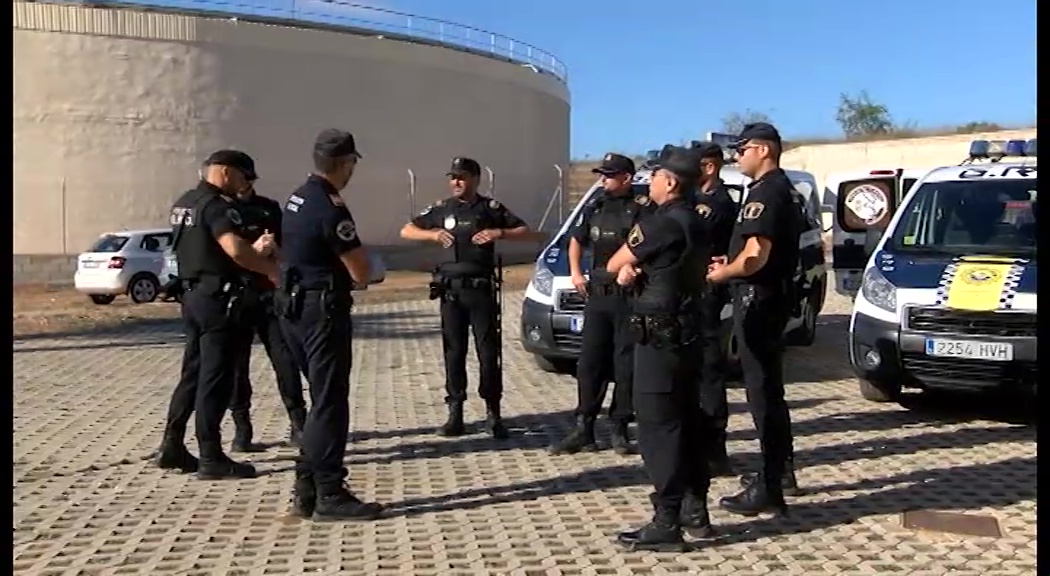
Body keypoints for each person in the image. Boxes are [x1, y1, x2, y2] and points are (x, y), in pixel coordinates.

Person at [604, 146, 715, 551]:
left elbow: (617, 262)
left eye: (654, 176)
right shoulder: (698, 219)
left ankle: (667, 520)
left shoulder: (662, 222)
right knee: (687, 422)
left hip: (659, 337)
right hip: (688, 334)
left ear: (670, 182)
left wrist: (630, 267)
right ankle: (694, 510)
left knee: (658, 429)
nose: (648, 182)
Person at [154, 150, 280, 480]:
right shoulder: (218, 207)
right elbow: (236, 251)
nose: (244, 184)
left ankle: (173, 444)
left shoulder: (185, 202)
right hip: (218, 300)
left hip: (192, 295)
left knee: (192, 373)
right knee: (215, 378)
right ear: (224, 172)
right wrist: (267, 263)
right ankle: (211, 455)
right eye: (242, 176)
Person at [278, 129, 382, 521]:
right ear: (346, 163)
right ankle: (329, 493)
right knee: (329, 404)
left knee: (319, 400)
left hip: (294, 307)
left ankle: (306, 490)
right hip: (322, 311)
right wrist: (370, 271)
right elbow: (359, 269)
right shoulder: (331, 206)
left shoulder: (297, 196)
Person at [706, 122, 806, 516]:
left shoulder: (766, 193)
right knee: (769, 392)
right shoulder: (782, 190)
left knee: (762, 394)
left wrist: (723, 273)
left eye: (742, 149)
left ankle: (770, 485)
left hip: (759, 301)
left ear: (763, 150)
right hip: (770, 297)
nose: (736, 156)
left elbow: (755, 257)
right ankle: (778, 473)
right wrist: (730, 263)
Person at [399, 157, 533, 439]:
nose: (455, 182)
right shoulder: (441, 209)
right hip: (451, 291)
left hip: (480, 290)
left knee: (487, 352)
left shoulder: (489, 208)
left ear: (475, 179)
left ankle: (493, 413)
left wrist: (500, 232)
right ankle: (455, 412)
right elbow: (407, 229)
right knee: (454, 352)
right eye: (452, 177)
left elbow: (525, 231)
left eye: (461, 177)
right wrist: (433, 234)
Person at [550, 152, 651, 456]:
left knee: (624, 363)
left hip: (627, 296)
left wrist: (635, 270)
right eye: (601, 174)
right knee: (590, 362)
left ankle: (620, 426)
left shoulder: (642, 208)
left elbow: (652, 247)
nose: (602, 179)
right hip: (598, 293)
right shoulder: (596, 204)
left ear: (626, 178)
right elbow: (576, 239)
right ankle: (584, 427)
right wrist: (575, 272)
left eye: (608, 175)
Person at [227, 183, 309, 453]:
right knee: (237, 366)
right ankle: (242, 427)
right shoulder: (223, 210)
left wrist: (274, 249)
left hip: (269, 294)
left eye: (248, 180)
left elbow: (288, 247)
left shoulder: (268, 208)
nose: (243, 186)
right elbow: (224, 253)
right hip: (238, 294)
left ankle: (298, 422)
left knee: (285, 359)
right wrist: (253, 250)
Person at [692, 142, 741, 476]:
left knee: (709, 374)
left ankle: (715, 450)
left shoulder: (717, 205)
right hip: (692, 296)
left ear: (709, 167)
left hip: (707, 297)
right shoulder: (696, 201)